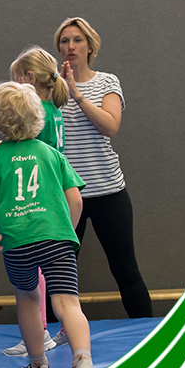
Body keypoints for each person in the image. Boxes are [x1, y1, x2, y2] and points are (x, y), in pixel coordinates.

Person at [0, 81, 94, 368]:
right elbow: (76, 200)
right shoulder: (52, 154)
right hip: (56, 238)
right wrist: (67, 230)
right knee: (67, 304)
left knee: (28, 298)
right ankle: (83, 363)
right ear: (38, 117)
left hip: (17, 243)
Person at [54, 17, 153, 333]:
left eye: (77, 40)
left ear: (89, 46)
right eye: (65, 41)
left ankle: (145, 333)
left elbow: (111, 126)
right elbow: (34, 128)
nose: (71, 46)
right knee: (58, 274)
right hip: (67, 195)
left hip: (109, 192)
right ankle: (51, 338)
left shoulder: (107, 82)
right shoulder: (51, 87)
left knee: (126, 269)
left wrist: (77, 94)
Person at [0, 46, 69, 357]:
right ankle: (52, 333)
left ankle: (39, 334)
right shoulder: (52, 111)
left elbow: (11, 154)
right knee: (53, 282)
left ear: (29, 79)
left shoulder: (42, 118)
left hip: (37, 205)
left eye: (15, 81)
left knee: (31, 283)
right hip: (53, 203)